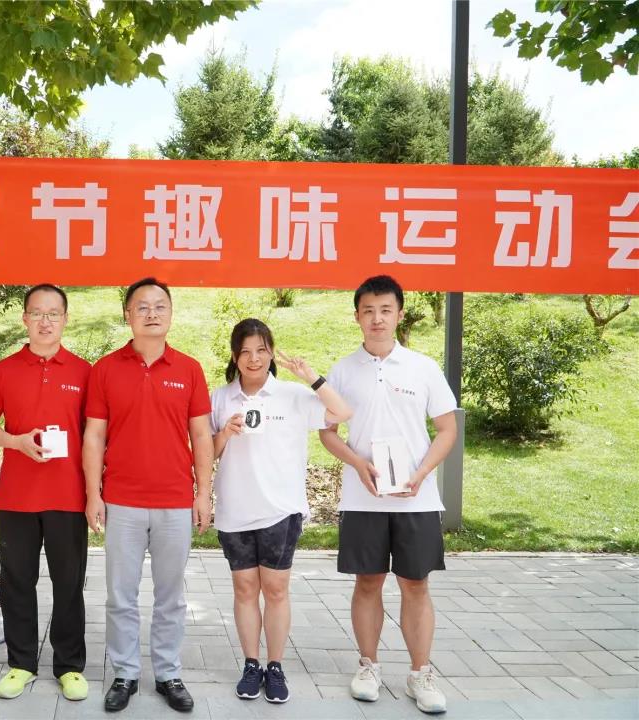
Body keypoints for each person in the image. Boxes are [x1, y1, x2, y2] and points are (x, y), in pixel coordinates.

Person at [319, 275, 457, 715]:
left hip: (417, 498)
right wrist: (358, 464)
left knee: (416, 584)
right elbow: (327, 432)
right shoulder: (343, 370)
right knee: (368, 581)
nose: (376, 319)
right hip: (363, 499)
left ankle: (421, 674)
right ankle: (368, 666)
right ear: (357, 316)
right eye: (368, 311)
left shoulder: (423, 367)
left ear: (399, 314)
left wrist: (422, 472)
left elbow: (447, 429)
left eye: (385, 310)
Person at [83, 277, 213, 714]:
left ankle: (168, 673)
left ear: (171, 314)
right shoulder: (105, 369)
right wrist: (93, 494)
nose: (151, 313)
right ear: (128, 315)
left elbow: (201, 435)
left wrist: (204, 493)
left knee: (170, 597)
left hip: (176, 500)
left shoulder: (189, 369)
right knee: (120, 596)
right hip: (121, 501)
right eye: (142, 306)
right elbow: (94, 435)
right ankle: (124, 673)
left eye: (160, 306)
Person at [211, 318, 352, 703]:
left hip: (280, 510)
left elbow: (342, 412)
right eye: (245, 352)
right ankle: (250, 664)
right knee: (244, 588)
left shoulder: (292, 394)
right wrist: (225, 432)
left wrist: (311, 377)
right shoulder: (220, 398)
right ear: (235, 357)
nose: (254, 359)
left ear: (271, 352)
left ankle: (274, 666)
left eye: (261, 350)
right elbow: (206, 453)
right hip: (235, 509)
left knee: (275, 589)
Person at [0, 284, 91, 702]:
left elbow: (96, 434)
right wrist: (16, 442)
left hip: (68, 495)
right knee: (17, 582)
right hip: (18, 496)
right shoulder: (3, 371)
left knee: (68, 583)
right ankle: (21, 663)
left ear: (65, 319)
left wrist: (96, 491)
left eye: (53, 313)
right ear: (25, 319)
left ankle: (69, 666)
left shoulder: (84, 372)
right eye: (37, 313)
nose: (45, 321)